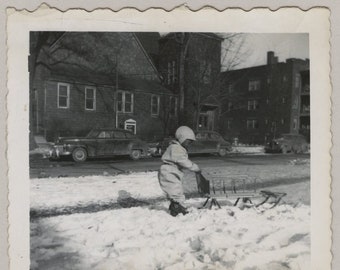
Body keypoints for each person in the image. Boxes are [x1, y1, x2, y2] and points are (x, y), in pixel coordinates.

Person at [158, 126, 201, 216]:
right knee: (176, 191)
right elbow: (182, 160)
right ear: (182, 138)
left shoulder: (177, 147)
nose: (189, 144)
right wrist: (194, 167)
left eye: (191, 143)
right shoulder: (176, 148)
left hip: (172, 171)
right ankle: (178, 208)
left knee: (176, 190)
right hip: (169, 171)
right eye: (188, 141)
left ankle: (175, 206)